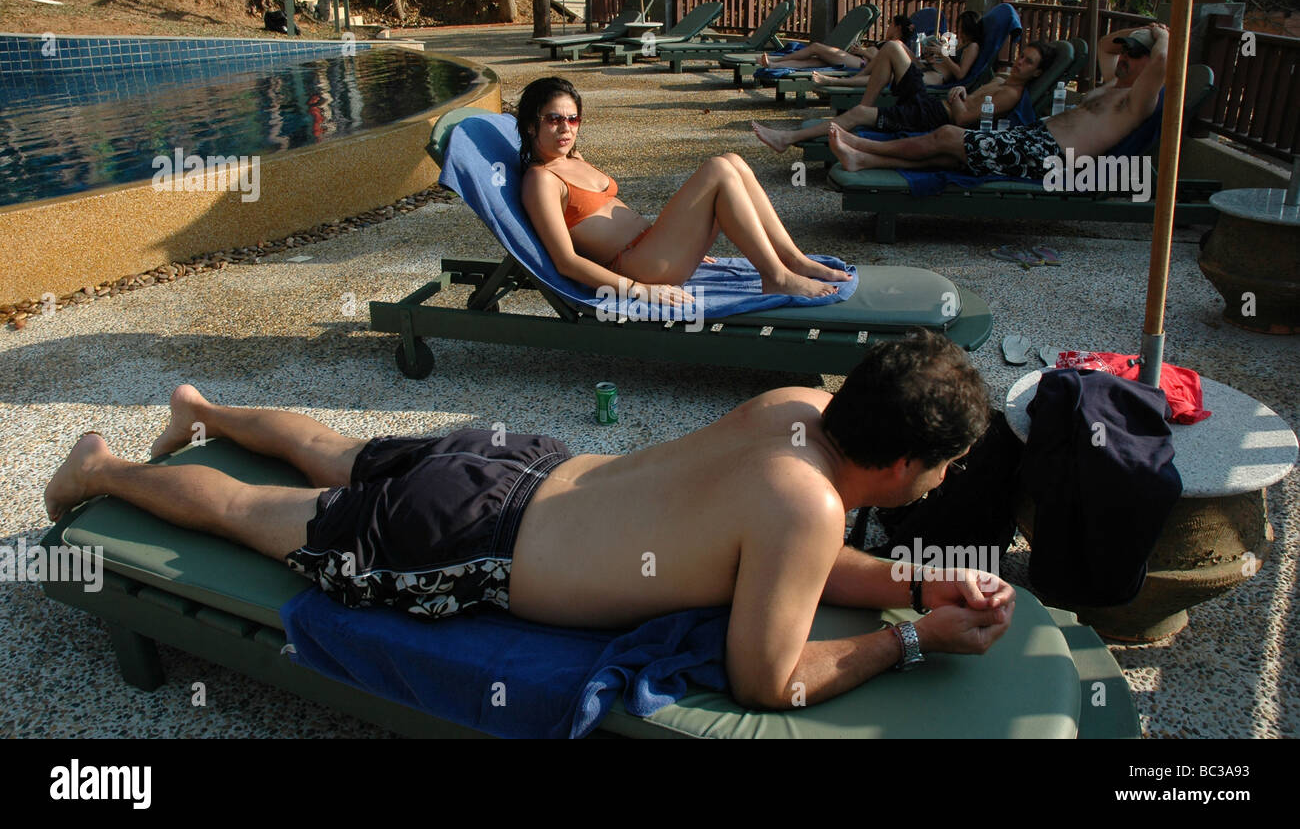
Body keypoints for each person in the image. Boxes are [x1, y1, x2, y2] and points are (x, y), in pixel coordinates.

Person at [44, 330, 1016, 711]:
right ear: (896, 463)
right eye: (944, 466)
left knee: (337, 451)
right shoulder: (805, 507)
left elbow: (791, 554)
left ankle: (202, 408)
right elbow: (769, 682)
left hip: (516, 459)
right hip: (473, 537)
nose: (942, 482)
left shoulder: (797, 408)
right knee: (270, 515)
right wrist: (912, 641)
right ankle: (106, 471)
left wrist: (916, 582)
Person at [517, 77, 849, 303]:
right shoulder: (541, 180)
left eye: (573, 119)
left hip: (657, 249)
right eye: (554, 119)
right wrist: (638, 291)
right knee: (718, 169)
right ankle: (776, 276)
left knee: (731, 160)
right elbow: (566, 262)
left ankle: (794, 260)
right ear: (532, 124)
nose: (566, 128)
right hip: (638, 268)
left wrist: (682, 240)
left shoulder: (572, 157)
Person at [827, 22, 1170, 181]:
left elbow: (1163, 62)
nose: (1124, 55)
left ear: (1149, 63)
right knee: (952, 159)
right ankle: (862, 162)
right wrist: (1140, 32)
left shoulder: (1137, 102)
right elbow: (1106, 45)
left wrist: (1163, 38)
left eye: (1136, 54)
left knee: (947, 136)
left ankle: (861, 146)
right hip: (1034, 138)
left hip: (1049, 157)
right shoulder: (1112, 84)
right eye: (1127, 50)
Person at [752, 40, 1055, 155]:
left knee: (856, 118)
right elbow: (966, 94)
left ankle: (787, 139)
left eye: (1028, 62)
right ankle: (865, 104)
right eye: (1021, 56)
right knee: (893, 47)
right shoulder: (1002, 78)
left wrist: (959, 96)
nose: (1019, 62)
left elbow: (964, 118)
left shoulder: (1011, 94)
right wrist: (961, 90)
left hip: (934, 116)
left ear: (1038, 73)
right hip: (932, 103)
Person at [809, 9, 983, 94]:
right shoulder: (960, 44)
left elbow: (960, 74)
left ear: (967, 27)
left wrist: (943, 55)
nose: (957, 30)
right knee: (897, 44)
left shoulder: (972, 46)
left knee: (887, 72)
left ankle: (837, 82)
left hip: (934, 78)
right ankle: (850, 79)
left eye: (960, 27)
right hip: (928, 69)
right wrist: (934, 56)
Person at [757, 14, 915, 72]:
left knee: (816, 47)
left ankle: (775, 60)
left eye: (890, 25)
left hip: (860, 63)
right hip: (858, 60)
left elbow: (882, 62)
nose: (887, 28)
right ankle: (772, 65)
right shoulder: (891, 43)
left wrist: (862, 52)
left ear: (897, 28)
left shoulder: (897, 45)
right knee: (810, 62)